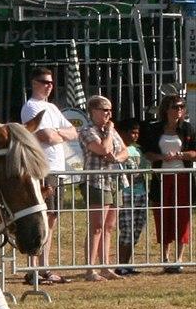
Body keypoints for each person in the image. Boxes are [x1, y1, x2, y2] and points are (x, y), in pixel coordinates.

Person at [21, 66, 78, 285]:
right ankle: (33, 268)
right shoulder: (31, 107)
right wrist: (59, 134)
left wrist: (59, 134)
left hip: (58, 169)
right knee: (39, 218)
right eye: (45, 82)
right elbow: (46, 136)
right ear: (35, 83)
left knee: (52, 219)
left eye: (52, 82)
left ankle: (44, 267)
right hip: (43, 169)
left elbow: (72, 132)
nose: (49, 86)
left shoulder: (52, 108)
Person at [140, 94, 195, 273]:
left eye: (180, 107)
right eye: (174, 107)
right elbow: (147, 152)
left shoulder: (187, 129)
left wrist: (181, 155)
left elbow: (194, 152)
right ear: (166, 109)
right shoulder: (154, 129)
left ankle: (179, 258)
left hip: (182, 176)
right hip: (161, 177)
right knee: (163, 215)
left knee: (183, 216)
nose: (178, 110)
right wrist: (162, 157)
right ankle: (165, 257)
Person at [79, 95, 129, 281]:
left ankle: (106, 267)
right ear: (93, 111)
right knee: (96, 226)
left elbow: (124, 151)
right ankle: (90, 269)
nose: (108, 113)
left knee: (109, 226)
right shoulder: (87, 130)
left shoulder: (111, 130)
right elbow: (103, 150)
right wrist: (108, 134)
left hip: (114, 180)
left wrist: (116, 158)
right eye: (104, 110)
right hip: (96, 181)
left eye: (109, 110)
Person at [115, 118, 148, 276]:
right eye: (131, 132)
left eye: (137, 133)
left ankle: (127, 264)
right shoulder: (119, 150)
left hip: (141, 193)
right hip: (126, 194)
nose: (134, 136)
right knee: (126, 230)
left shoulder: (138, 150)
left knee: (136, 231)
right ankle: (121, 264)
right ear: (121, 133)